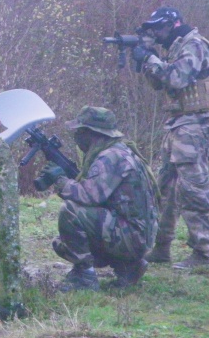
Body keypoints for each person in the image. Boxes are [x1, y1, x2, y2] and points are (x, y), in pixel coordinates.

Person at [131, 7, 209, 269]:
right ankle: (161, 247)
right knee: (164, 189)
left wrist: (151, 57)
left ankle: (202, 252)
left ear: (173, 24)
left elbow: (177, 79)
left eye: (159, 28)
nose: (156, 34)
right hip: (177, 124)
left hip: (195, 124)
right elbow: (160, 84)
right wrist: (148, 59)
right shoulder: (176, 48)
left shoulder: (194, 45)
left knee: (192, 189)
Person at [35, 106, 159, 291]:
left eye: (80, 132)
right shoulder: (120, 151)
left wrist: (61, 181)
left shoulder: (111, 157)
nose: (76, 137)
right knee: (63, 244)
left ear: (91, 133)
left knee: (71, 212)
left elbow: (88, 196)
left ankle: (84, 277)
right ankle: (128, 266)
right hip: (137, 235)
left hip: (132, 237)